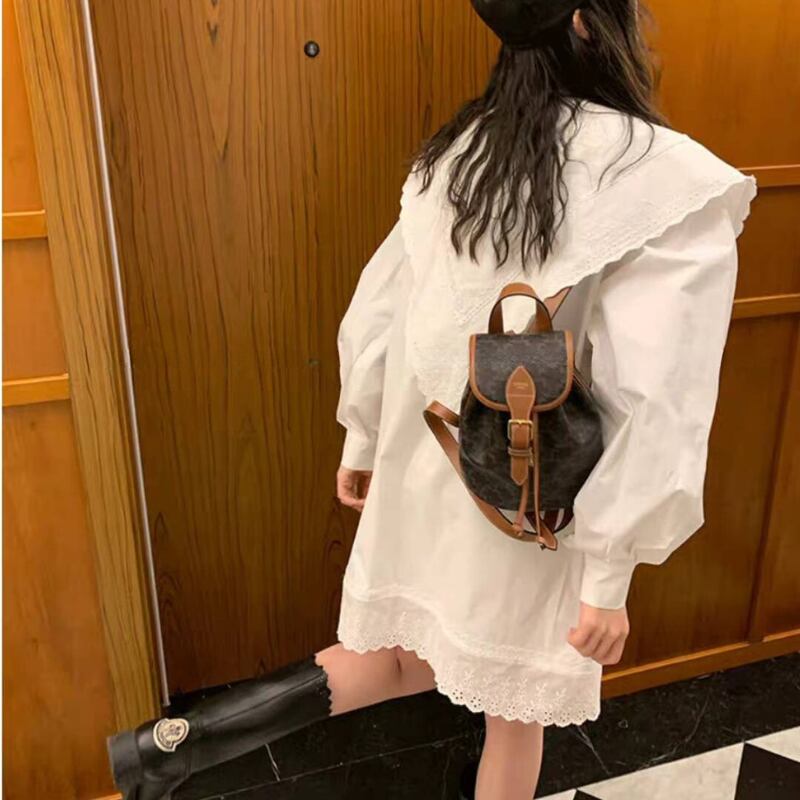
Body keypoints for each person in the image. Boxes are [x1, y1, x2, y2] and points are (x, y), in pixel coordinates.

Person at [107, 2, 756, 799]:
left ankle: (179, 742)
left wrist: (361, 438)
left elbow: (382, 307)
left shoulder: (458, 153)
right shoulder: (662, 177)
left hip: (432, 451)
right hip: (536, 490)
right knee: (513, 711)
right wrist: (609, 576)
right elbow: (656, 394)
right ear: (589, 23)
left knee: (398, 655)